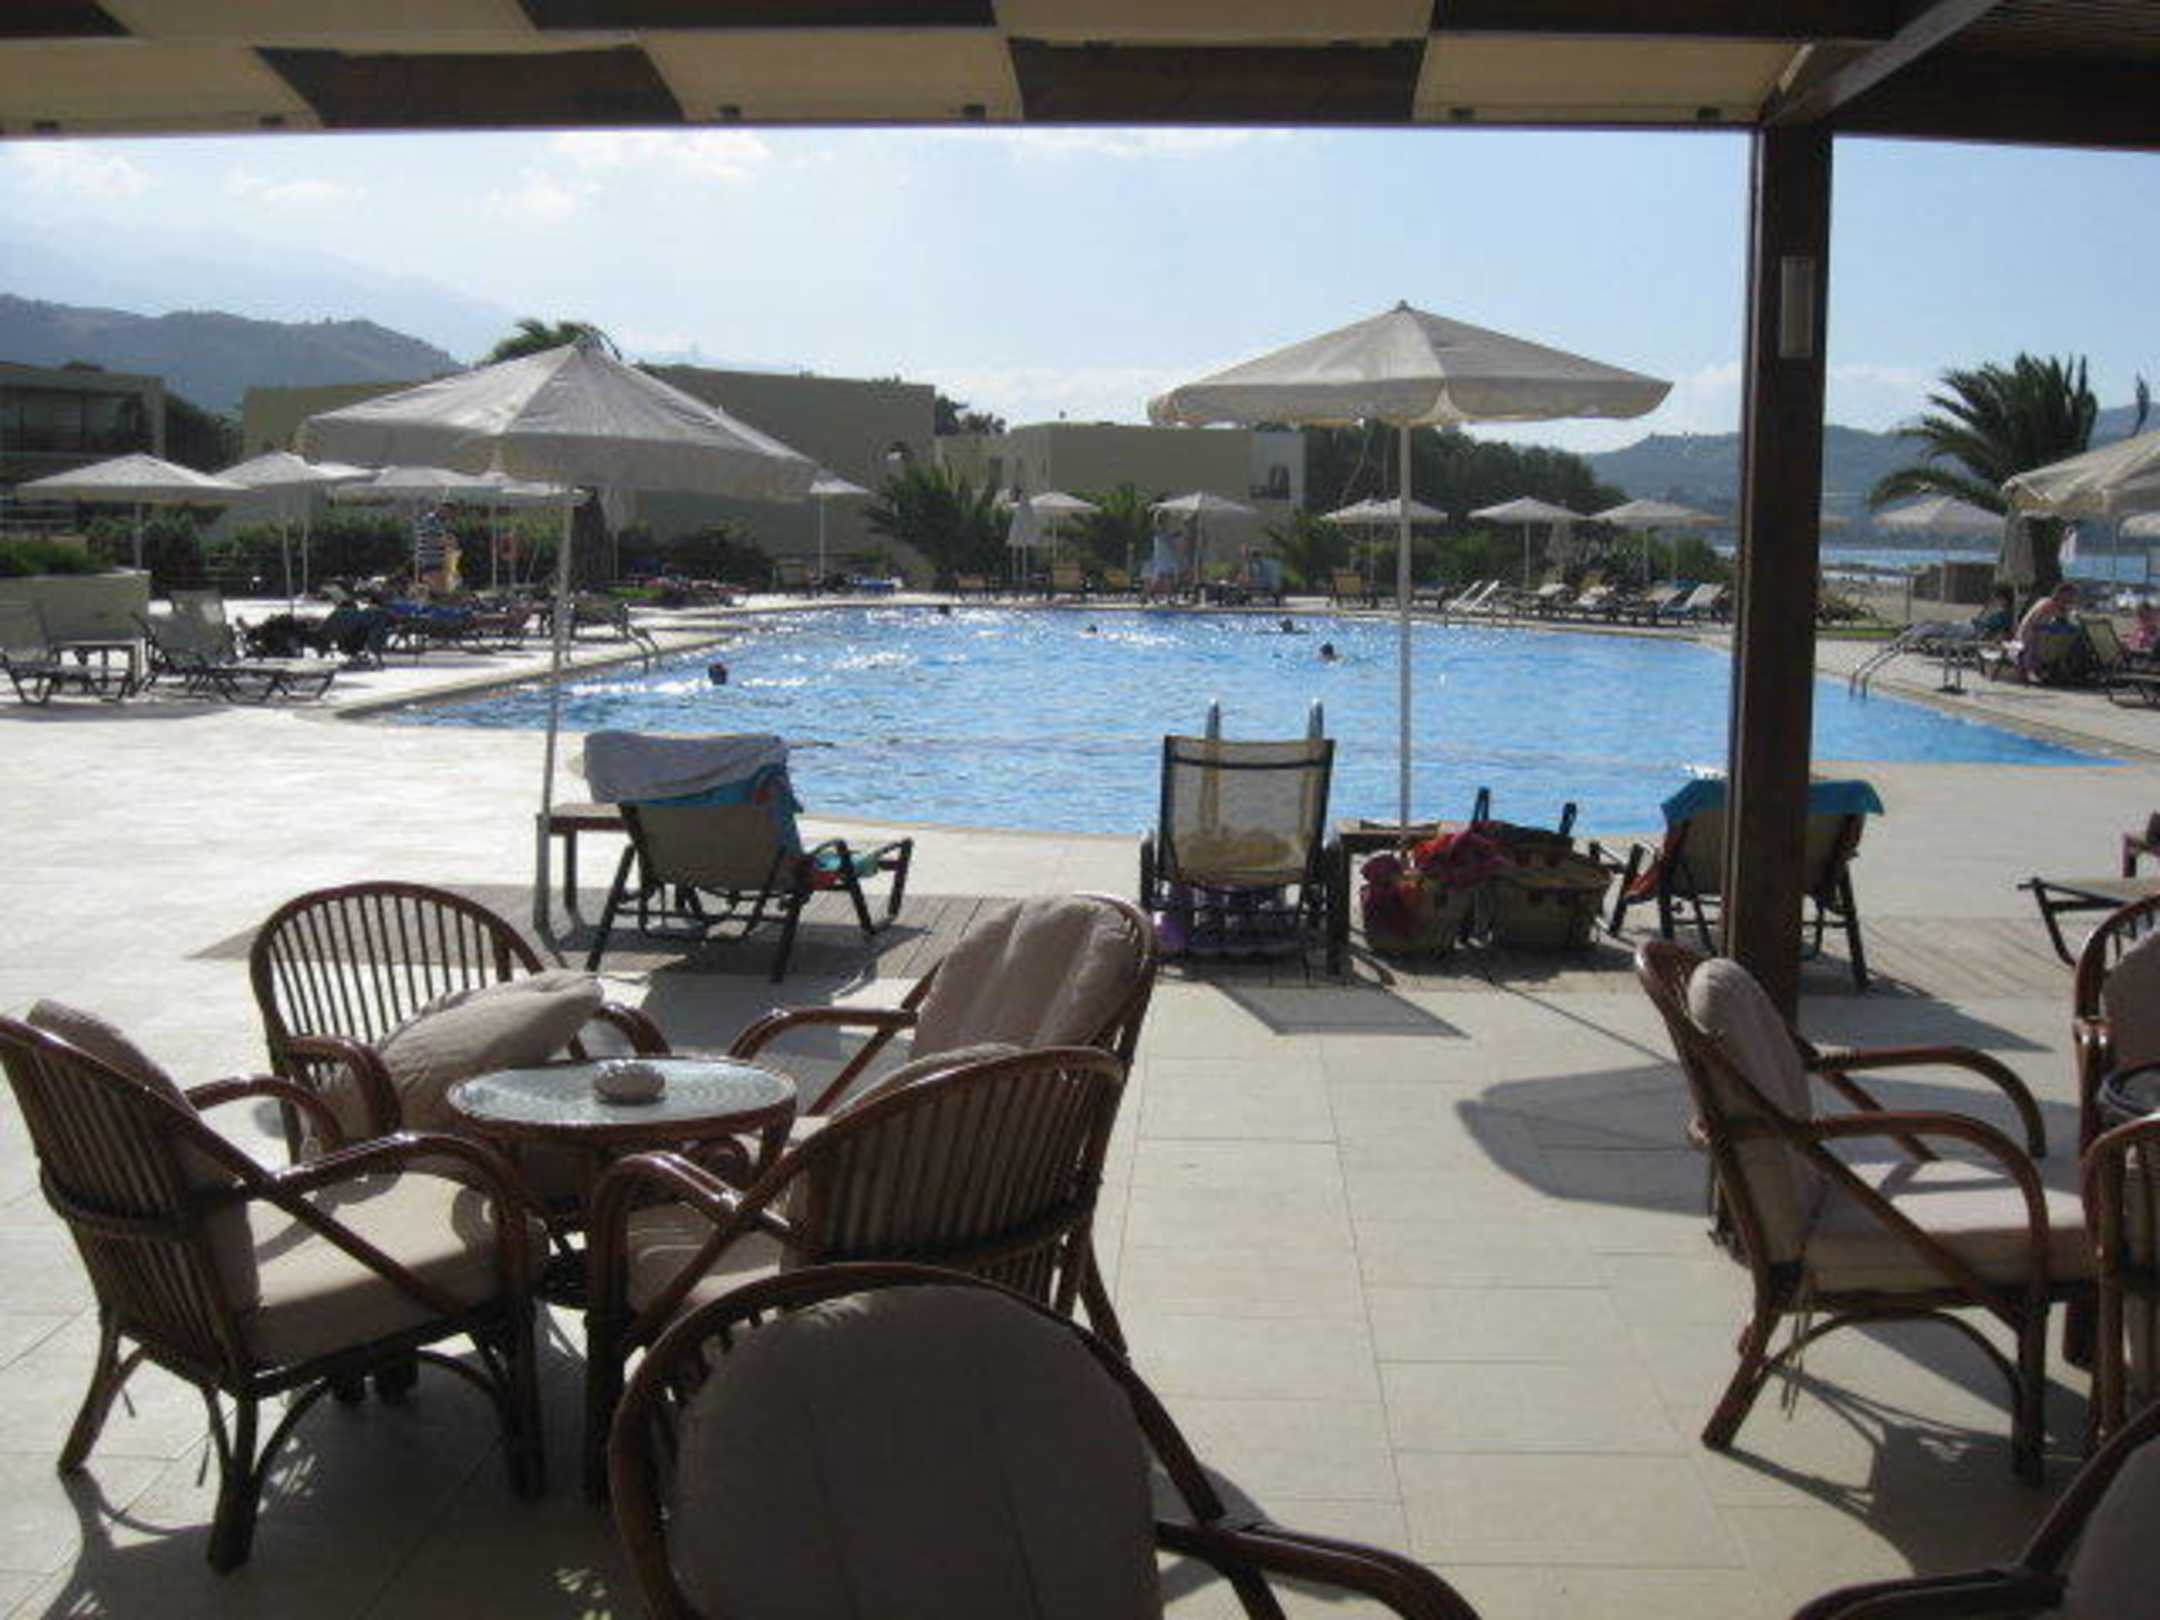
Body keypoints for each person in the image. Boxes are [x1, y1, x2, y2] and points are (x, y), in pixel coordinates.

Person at [2014, 581, 2079, 683]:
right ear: (2062, 594)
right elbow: (2037, 624)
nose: (2072, 599)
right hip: (2028, 636)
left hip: (2036, 634)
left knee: (2061, 638)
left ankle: (2051, 670)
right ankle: (2033, 670)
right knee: (2060, 640)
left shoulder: (2053, 604)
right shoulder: (2047, 604)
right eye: (2070, 595)